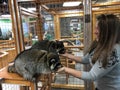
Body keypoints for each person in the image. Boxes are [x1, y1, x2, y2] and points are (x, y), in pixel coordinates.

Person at [57, 14, 120, 90]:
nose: (95, 32)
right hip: (99, 86)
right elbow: (85, 59)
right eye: (95, 28)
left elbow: (91, 76)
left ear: (108, 32)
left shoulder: (113, 51)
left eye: (98, 29)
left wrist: (65, 69)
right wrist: (66, 55)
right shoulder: (99, 43)